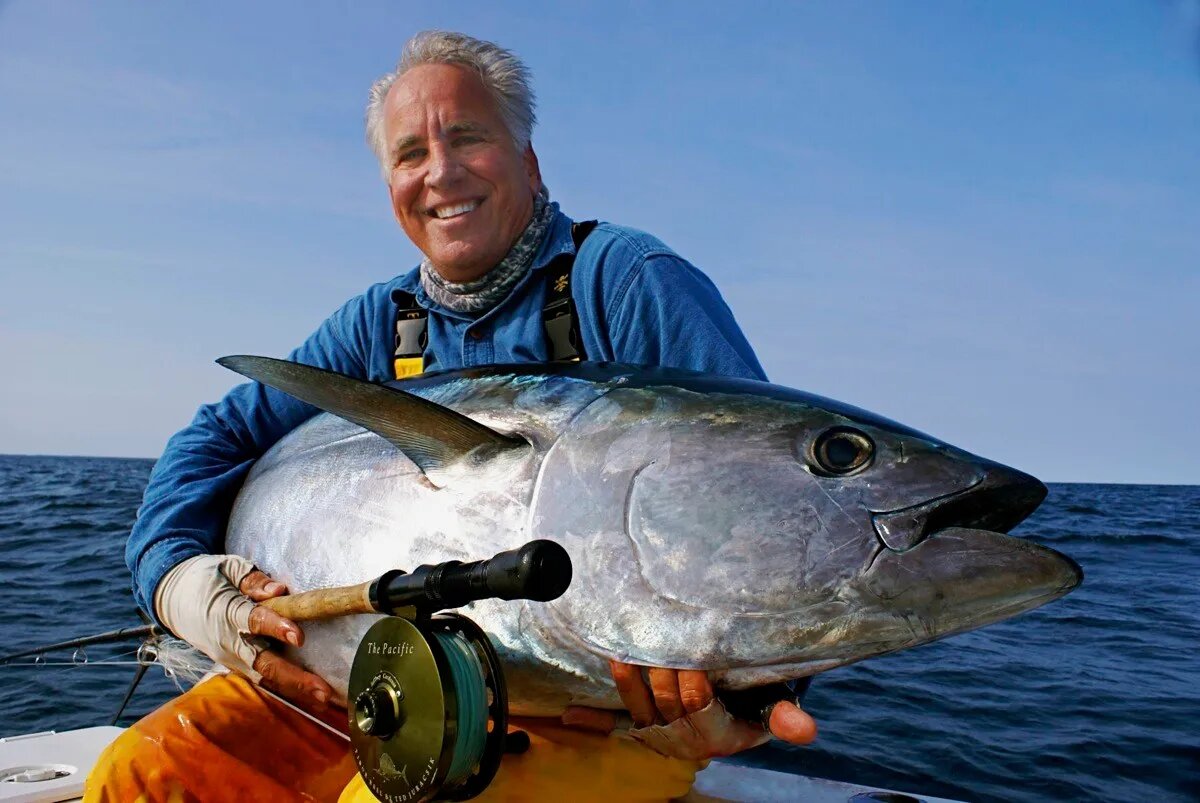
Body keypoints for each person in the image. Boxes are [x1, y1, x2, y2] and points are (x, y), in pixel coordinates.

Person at [125, 30, 817, 762]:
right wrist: (174, 577)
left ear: (527, 160)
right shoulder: (378, 323)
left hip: (591, 719)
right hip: (393, 684)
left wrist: (758, 692)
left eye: (467, 138)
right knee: (136, 774)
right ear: (390, 186)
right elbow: (216, 440)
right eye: (411, 155)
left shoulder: (624, 277)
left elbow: (757, 492)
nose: (442, 173)